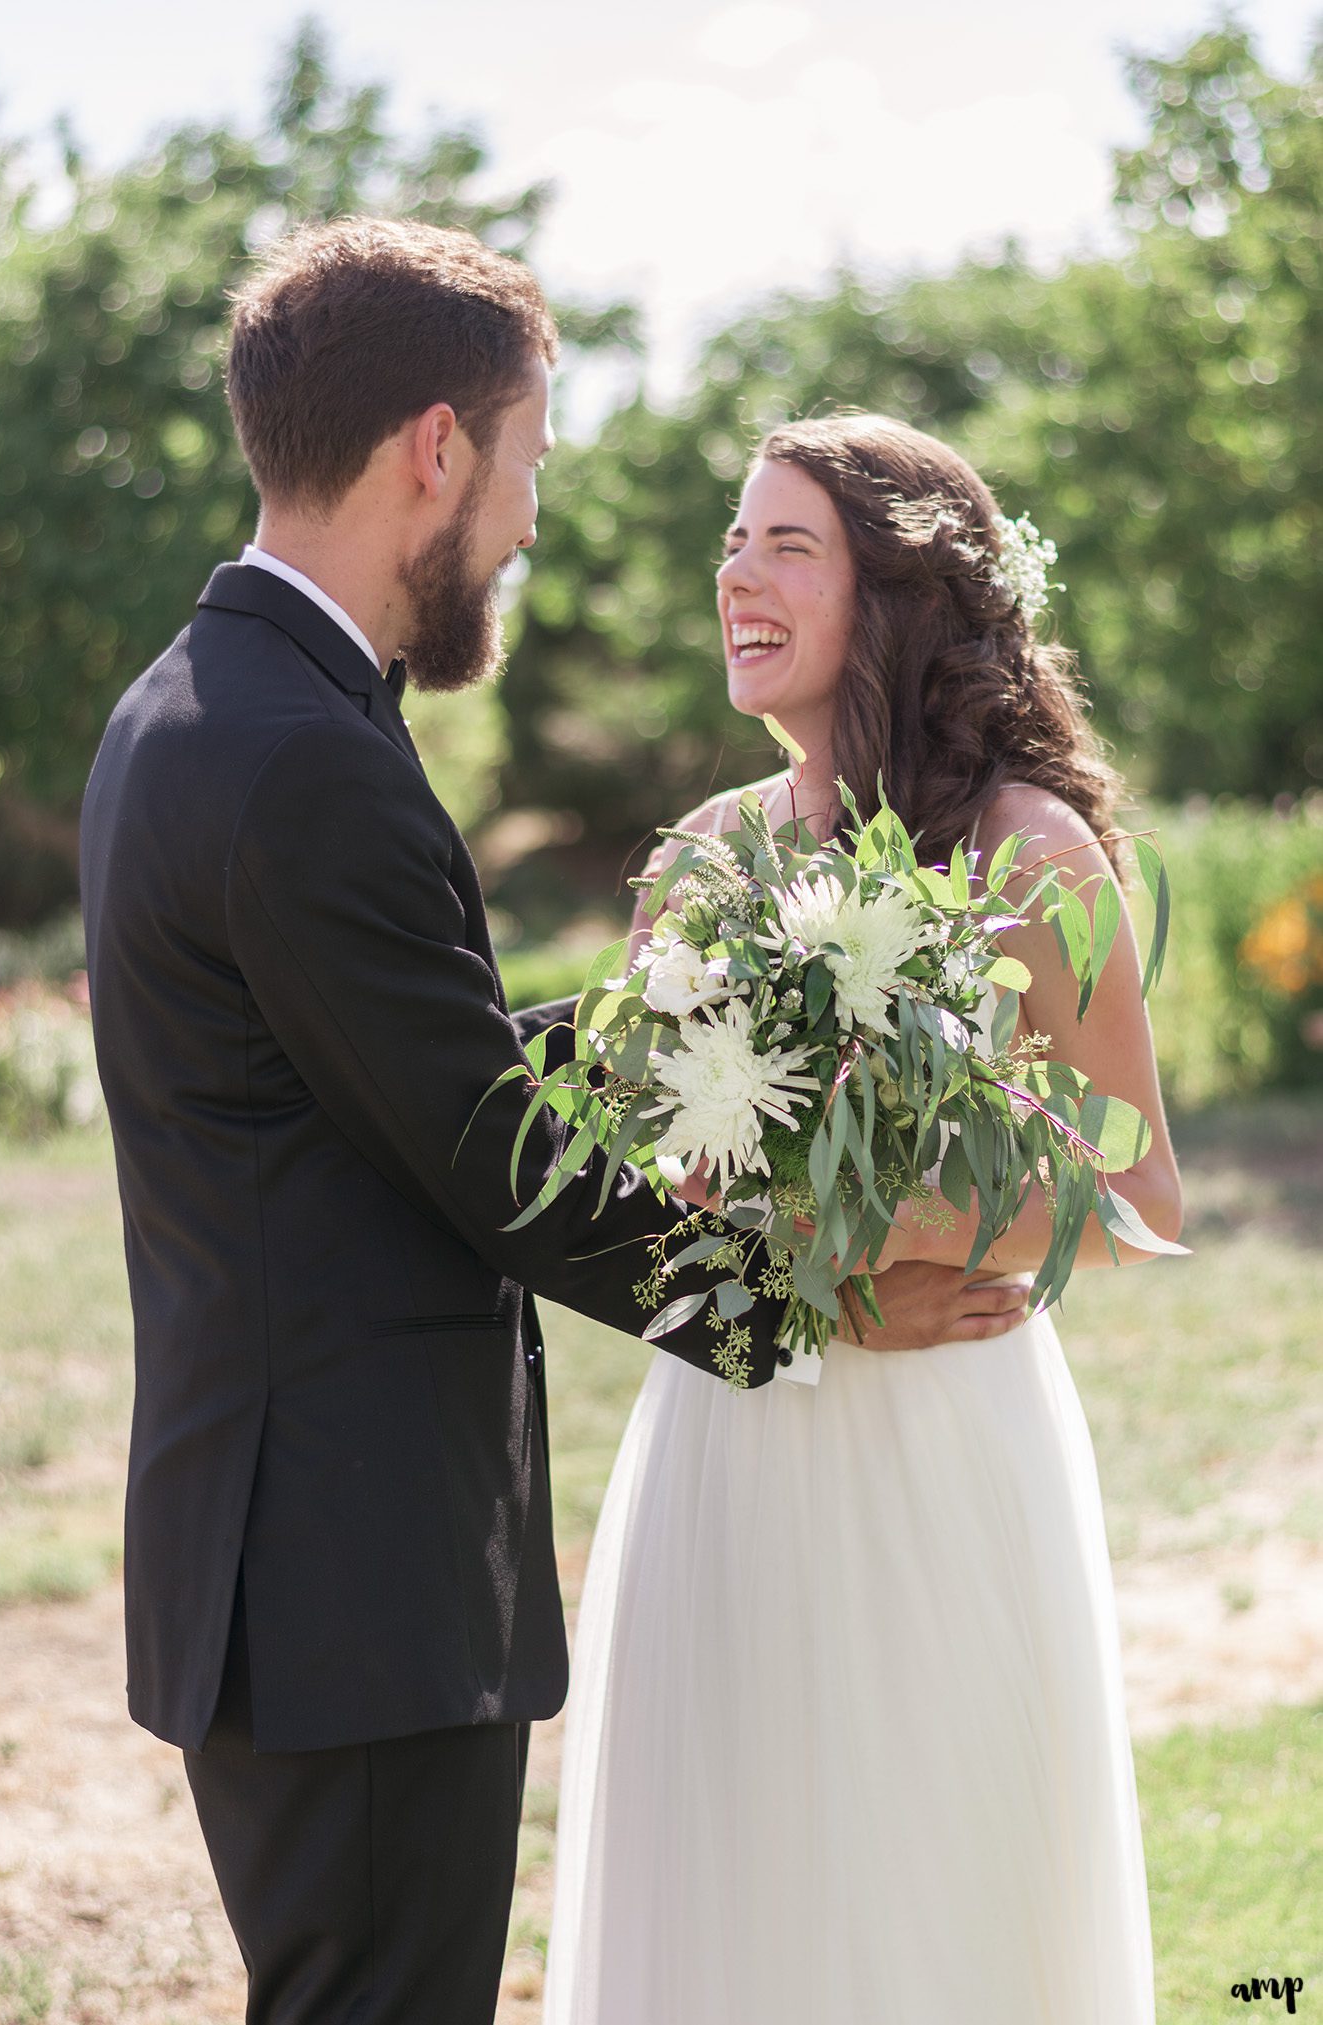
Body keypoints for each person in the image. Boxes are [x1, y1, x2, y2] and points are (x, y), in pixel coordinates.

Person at [78, 215, 824, 2025]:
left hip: (297, 1564)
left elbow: (389, 1064)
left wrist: (693, 1024)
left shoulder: (201, 707)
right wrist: (804, 1317)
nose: (527, 521)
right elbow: (489, 1154)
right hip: (352, 1586)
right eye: (525, 466)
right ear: (435, 448)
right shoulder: (303, 752)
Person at [543, 414, 1183, 2025]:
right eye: (732, 542)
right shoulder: (700, 864)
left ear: (893, 592)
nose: (733, 575)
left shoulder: (1029, 854)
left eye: (785, 543)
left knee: (933, 1894)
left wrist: (910, 1225)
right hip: (733, 1435)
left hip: (948, 1457)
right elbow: (645, 1212)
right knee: (731, 1899)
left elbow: (1139, 1196)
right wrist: (812, 1293)